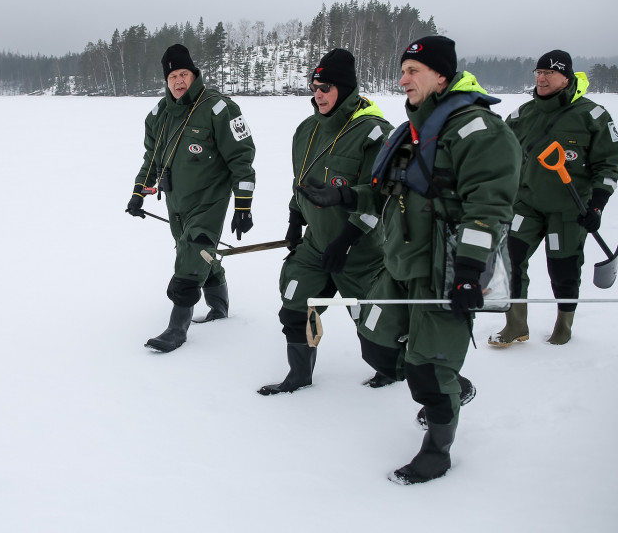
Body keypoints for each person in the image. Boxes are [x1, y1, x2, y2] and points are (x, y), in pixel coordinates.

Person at [298, 36, 521, 484]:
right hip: (400, 264)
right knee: (376, 342)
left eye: (412, 71)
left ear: (442, 75)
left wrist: (469, 274)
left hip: (444, 272)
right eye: (402, 71)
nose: (402, 80)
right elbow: (384, 189)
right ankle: (449, 384)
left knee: (427, 372)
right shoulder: (412, 132)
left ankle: (438, 450)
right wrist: (341, 194)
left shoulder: (479, 130)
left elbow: (489, 210)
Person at [257, 48, 394, 396]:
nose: (318, 93)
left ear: (346, 90)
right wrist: (294, 218)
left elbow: (383, 198)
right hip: (316, 244)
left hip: (360, 251)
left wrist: (348, 237)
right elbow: (301, 181)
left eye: (327, 87)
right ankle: (299, 376)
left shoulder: (375, 134)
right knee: (294, 307)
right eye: (315, 86)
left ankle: (392, 371)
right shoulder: (306, 130)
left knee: (376, 328)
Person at [126, 44, 256, 353]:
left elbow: (242, 159)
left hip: (210, 199)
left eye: (183, 74)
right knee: (196, 252)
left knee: (193, 251)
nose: (178, 81)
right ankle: (220, 307)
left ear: (194, 74)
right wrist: (138, 193)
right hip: (176, 201)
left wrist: (243, 206)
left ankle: (177, 327)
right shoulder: (159, 115)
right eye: (172, 76)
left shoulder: (219, 108)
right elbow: (151, 158)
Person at [489, 50, 618, 347]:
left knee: (563, 268)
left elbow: (609, 165)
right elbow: (499, 153)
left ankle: (563, 325)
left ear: (566, 77)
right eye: (538, 72)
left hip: (569, 210)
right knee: (510, 261)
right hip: (526, 205)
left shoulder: (593, 116)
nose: (541, 78)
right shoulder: (522, 114)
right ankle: (515, 324)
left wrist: (597, 204)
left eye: (549, 73)